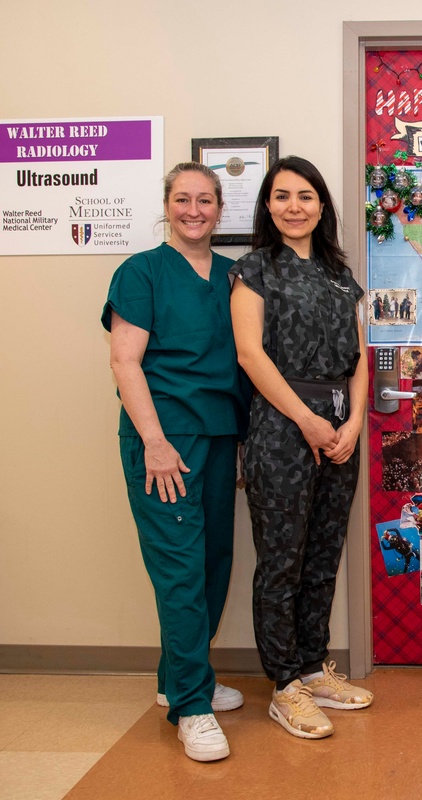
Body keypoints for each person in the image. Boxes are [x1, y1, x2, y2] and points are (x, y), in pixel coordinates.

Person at [103, 162, 250, 762]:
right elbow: (124, 361)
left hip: (219, 435)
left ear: (220, 208)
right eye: (184, 199)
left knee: (214, 560)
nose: (195, 209)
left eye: (206, 200)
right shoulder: (141, 272)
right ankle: (191, 706)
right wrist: (156, 443)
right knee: (180, 570)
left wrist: (239, 442)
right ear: (167, 204)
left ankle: (178, 680)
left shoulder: (233, 277)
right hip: (164, 438)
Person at [230, 156, 373, 741]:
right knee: (282, 559)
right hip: (282, 429)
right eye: (283, 196)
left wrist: (354, 423)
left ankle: (314, 670)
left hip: (341, 430)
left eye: (306, 196)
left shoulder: (342, 275)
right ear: (267, 205)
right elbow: (250, 356)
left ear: (322, 206)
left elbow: (361, 359)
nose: (295, 206)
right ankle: (284, 684)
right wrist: (307, 421)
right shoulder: (252, 270)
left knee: (321, 555)